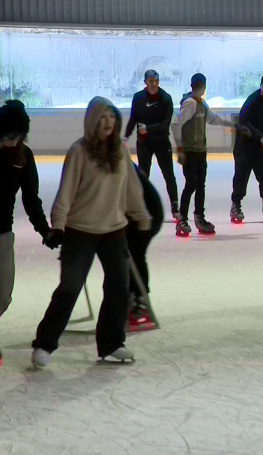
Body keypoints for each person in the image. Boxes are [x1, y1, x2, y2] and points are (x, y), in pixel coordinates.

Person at [32, 96, 152, 367]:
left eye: (112, 118)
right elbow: (66, 193)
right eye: (102, 118)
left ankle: (111, 344)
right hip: (80, 231)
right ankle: (44, 345)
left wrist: (142, 218)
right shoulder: (79, 151)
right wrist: (58, 226)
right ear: (92, 122)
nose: (108, 123)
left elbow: (132, 189)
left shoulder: (120, 151)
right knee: (69, 288)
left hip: (114, 230)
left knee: (118, 288)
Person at [0, 100, 53, 365]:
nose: (12, 142)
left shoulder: (24, 157)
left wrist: (45, 231)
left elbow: (31, 200)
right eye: (8, 136)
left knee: (2, 296)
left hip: (2, 234)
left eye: (18, 137)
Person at [172, 73, 250, 236]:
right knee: (192, 183)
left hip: (200, 151)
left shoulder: (201, 103)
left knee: (200, 184)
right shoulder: (190, 104)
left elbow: (214, 119)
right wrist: (179, 148)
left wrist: (234, 125)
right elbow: (176, 124)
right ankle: (183, 219)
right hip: (190, 152)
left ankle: (199, 217)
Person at [124, 69, 179, 219]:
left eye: (156, 81)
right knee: (143, 175)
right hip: (144, 143)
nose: (154, 84)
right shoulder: (138, 98)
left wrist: (147, 129)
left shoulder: (166, 98)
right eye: (151, 81)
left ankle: (175, 206)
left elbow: (166, 123)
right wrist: (125, 137)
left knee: (169, 175)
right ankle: (141, 205)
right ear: (145, 82)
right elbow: (133, 118)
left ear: (158, 82)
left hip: (161, 142)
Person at [230, 74, 263, 224]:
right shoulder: (252, 100)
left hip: (259, 150)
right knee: (241, 177)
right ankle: (236, 206)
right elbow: (243, 121)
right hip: (244, 147)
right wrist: (260, 136)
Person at [126, 164, 163, 332]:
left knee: (134, 254)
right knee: (127, 255)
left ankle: (139, 302)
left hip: (147, 213)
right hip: (137, 213)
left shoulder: (117, 158)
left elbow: (133, 194)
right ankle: (132, 299)